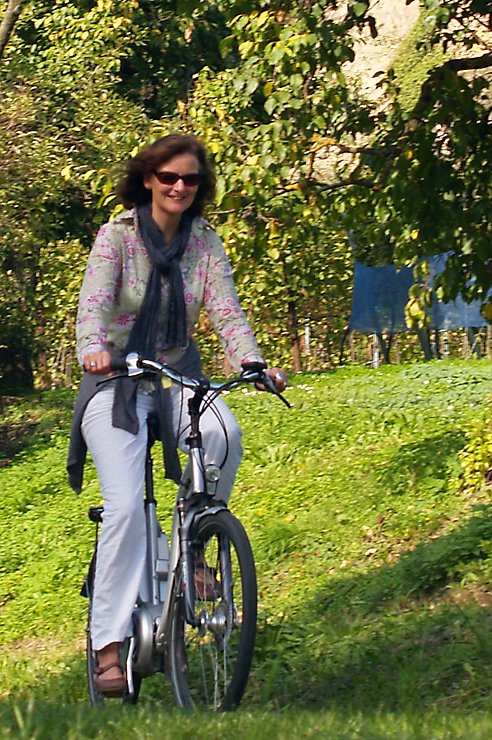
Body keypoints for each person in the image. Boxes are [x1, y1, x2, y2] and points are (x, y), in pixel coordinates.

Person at [66, 133, 286, 697]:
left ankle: (191, 549)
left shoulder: (205, 244)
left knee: (224, 434)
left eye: (190, 179)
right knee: (125, 509)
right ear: (148, 180)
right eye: (168, 177)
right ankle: (108, 644)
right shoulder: (117, 237)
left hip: (176, 376)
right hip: (114, 381)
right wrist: (94, 346)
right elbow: (93, 304)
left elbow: (227, 311)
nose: (179, 187)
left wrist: (253, 361)